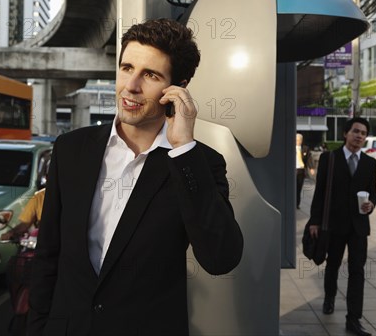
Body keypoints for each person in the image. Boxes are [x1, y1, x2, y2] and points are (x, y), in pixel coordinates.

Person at [28, 18, 244, 336]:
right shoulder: (71, 150)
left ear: (178, 88)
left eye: (150, 75)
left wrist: (184, 148)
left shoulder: (197, 164)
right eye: (127, 68)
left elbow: (220, 257)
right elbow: (48, 254)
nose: (131, 85)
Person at [308, 117, 376, 336]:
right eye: (355, 131)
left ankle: (354, 319)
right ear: (346, 133)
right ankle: (329, 296)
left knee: (357, 270)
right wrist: (315, 221)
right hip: (334, 224)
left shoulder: (369, 163)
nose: (359, 136)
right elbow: (319, 192)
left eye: (363, 133)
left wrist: (371, 203)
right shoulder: (330, 158)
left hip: (358, 226)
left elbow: (373, 191)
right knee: (333, 264)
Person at [295, 133, 309, 209]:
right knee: (293, 187)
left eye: (300, 140)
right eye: (297, 140)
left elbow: (309, 158)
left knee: (299, 187)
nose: (298, 141)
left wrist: (311, 167)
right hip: (292, 170)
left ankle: (297, 204)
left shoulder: (305, 148)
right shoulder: (290, 148)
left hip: (301, 170)